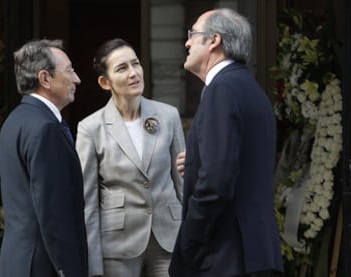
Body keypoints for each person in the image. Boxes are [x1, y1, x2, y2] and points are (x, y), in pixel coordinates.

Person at [169, 8, 283, 277]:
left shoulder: (221, 89)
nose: (186, 42)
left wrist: (188, 243)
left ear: (214, 40)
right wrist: (197, 162)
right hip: (254, 252)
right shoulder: (251, 89)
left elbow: (216, 184)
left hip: (225, 255)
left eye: (192, 35)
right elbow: (241, 162)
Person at [75, 38, 185, 277]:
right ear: (105, 82)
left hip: (169, 236)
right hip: (118, 244)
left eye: (135, 64)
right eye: (122, 68)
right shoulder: (90, 128)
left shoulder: (168, 116)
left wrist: (192, 239)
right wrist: (94, 267)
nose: (134, 73)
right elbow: (89, 203)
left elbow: (182, 183)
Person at [0, 39, 88, 277]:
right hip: (43, 266)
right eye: (69, 70)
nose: (77, 78)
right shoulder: (45, 128)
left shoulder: (16, 120)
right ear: (45, 78)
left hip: (17, 263)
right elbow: (54, 214)